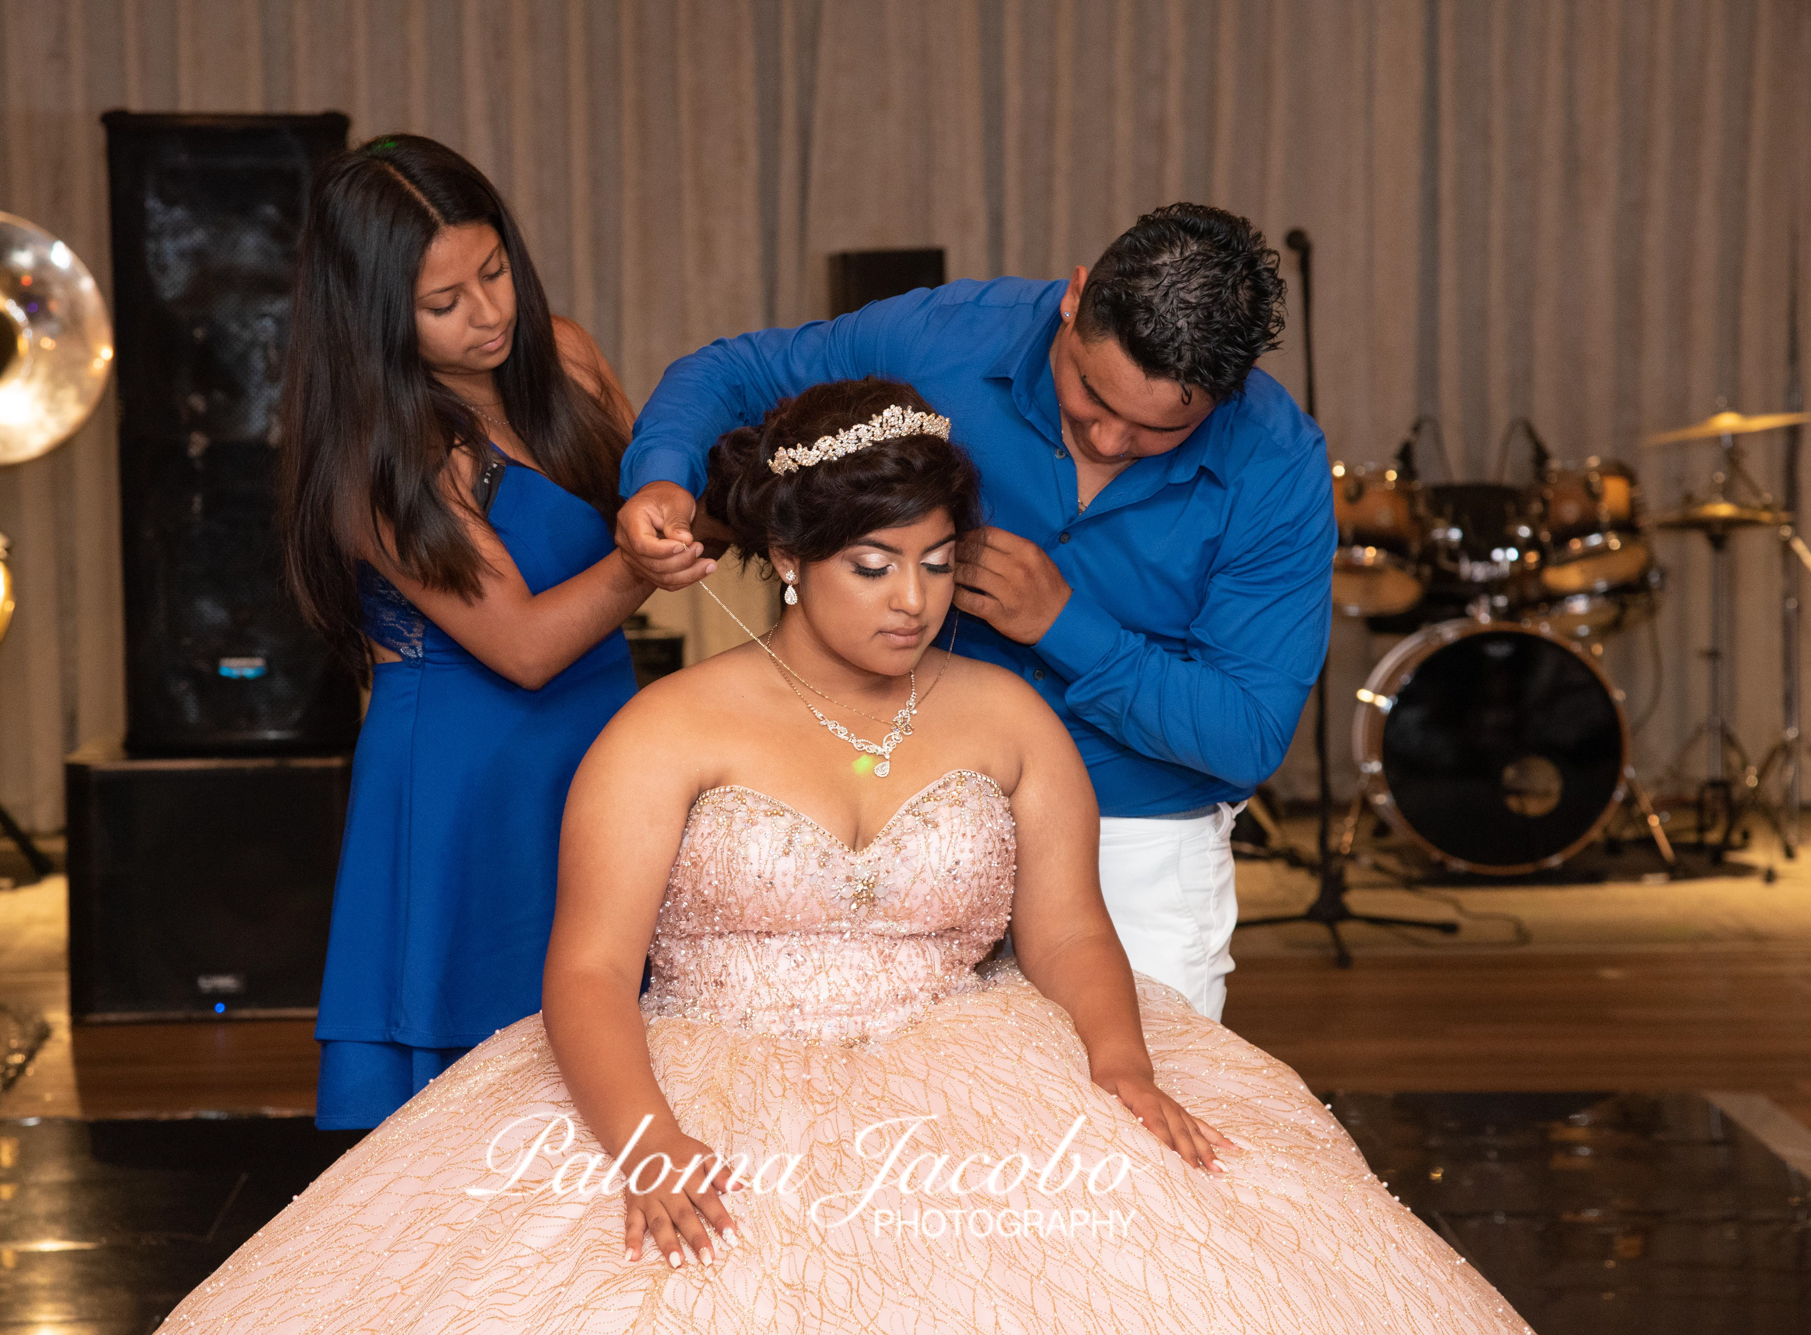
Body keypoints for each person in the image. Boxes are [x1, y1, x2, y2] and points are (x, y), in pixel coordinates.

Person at [166, 380, 1528, 1334]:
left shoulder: (1007, 714)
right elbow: (586, 967)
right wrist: (647, 1140)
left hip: (967, 1057)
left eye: (939, 563)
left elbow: (1063, 932)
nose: (914, 599)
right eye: (874, 564)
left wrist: (1118, 1059)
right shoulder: (667, 727)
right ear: (787, 554)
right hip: (703, 1058)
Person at [615, 204, 1334, 1021]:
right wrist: (663, 475)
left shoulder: (1279, 466)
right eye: (1092, 395)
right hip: (913, 817)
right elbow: (730, 373)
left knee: (1121, 1128)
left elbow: (1246, 732)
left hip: (1130, 834)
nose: (1108, 438)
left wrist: (1065, 625)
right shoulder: (946, 337)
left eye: (1157, 430)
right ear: (1076, 298)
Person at [279, 134, 649, 1129]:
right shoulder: (380, 458)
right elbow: (524, 647)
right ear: (371, 319)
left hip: (604, 738)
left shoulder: (563, 356)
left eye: (494, 273)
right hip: (465, 769)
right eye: (444, 304)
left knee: (617, 1050)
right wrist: (644, 559)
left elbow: (650, 497)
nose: (488, 315)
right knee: (477, 1092)